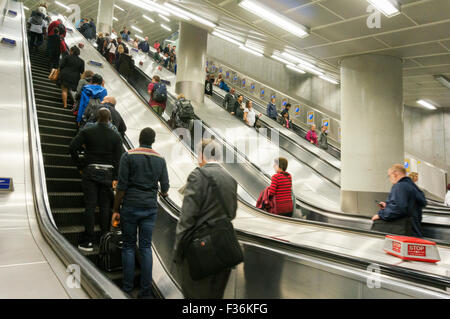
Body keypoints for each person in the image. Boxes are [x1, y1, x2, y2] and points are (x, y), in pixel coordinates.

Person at [173, 139, 237, 299]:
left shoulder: (197, 175)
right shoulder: (230, 179)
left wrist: (177, 251)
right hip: (223, 251)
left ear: (202, 154)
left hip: (201, 251)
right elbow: (232, 213)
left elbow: (187, 217)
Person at [112, 127, 169, 298]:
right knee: (145, 247)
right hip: (150, 207)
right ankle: (145, 292)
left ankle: (127, 289)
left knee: (129, 246)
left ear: (139, 139)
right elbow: (165, 187)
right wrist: (162, 192)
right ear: (153, 140)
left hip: (130, 205)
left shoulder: (128, 156)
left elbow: (121, 186)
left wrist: (116, 209)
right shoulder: (161, 159)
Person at [70, 108, 124, 252]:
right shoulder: (116, 136)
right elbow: (119, 159)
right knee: (105, 206)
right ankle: (104, 239)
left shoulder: (87, 131)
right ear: (110, 119)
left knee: (90, 205)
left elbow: (72, 147)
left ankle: (88, 241)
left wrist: (80, 165)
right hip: (108, 173)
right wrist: (115, 178)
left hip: (91, 171)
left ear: (97, 118)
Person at [371, 164, 427, 237]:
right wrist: (387, 206)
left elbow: (398, 209)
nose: (390, 179)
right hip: (414, 230)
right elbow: (408, 206)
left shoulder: (399, 186)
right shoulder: (413, 186)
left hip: (403, 232)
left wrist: (380, 215)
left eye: (389, 176)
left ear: (394, 174)